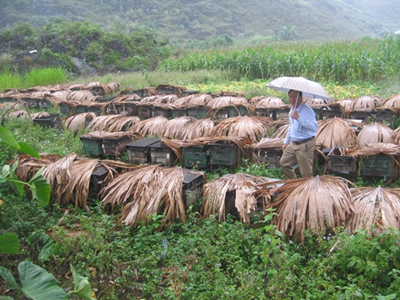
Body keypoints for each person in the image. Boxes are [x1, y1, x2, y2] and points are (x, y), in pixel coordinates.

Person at [279, 89, 318, 179]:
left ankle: (308, 191)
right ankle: (294, 184)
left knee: (306, 173)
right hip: (293, 143)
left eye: (295, 97)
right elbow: (291, 127)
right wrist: (286, 142)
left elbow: (314, 128)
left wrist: (298, 118)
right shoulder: (292, 111)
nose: (292, 99)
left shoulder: (307, 111)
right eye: (291, 97)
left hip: (305, 144)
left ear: (300, 98)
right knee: (284, 163)